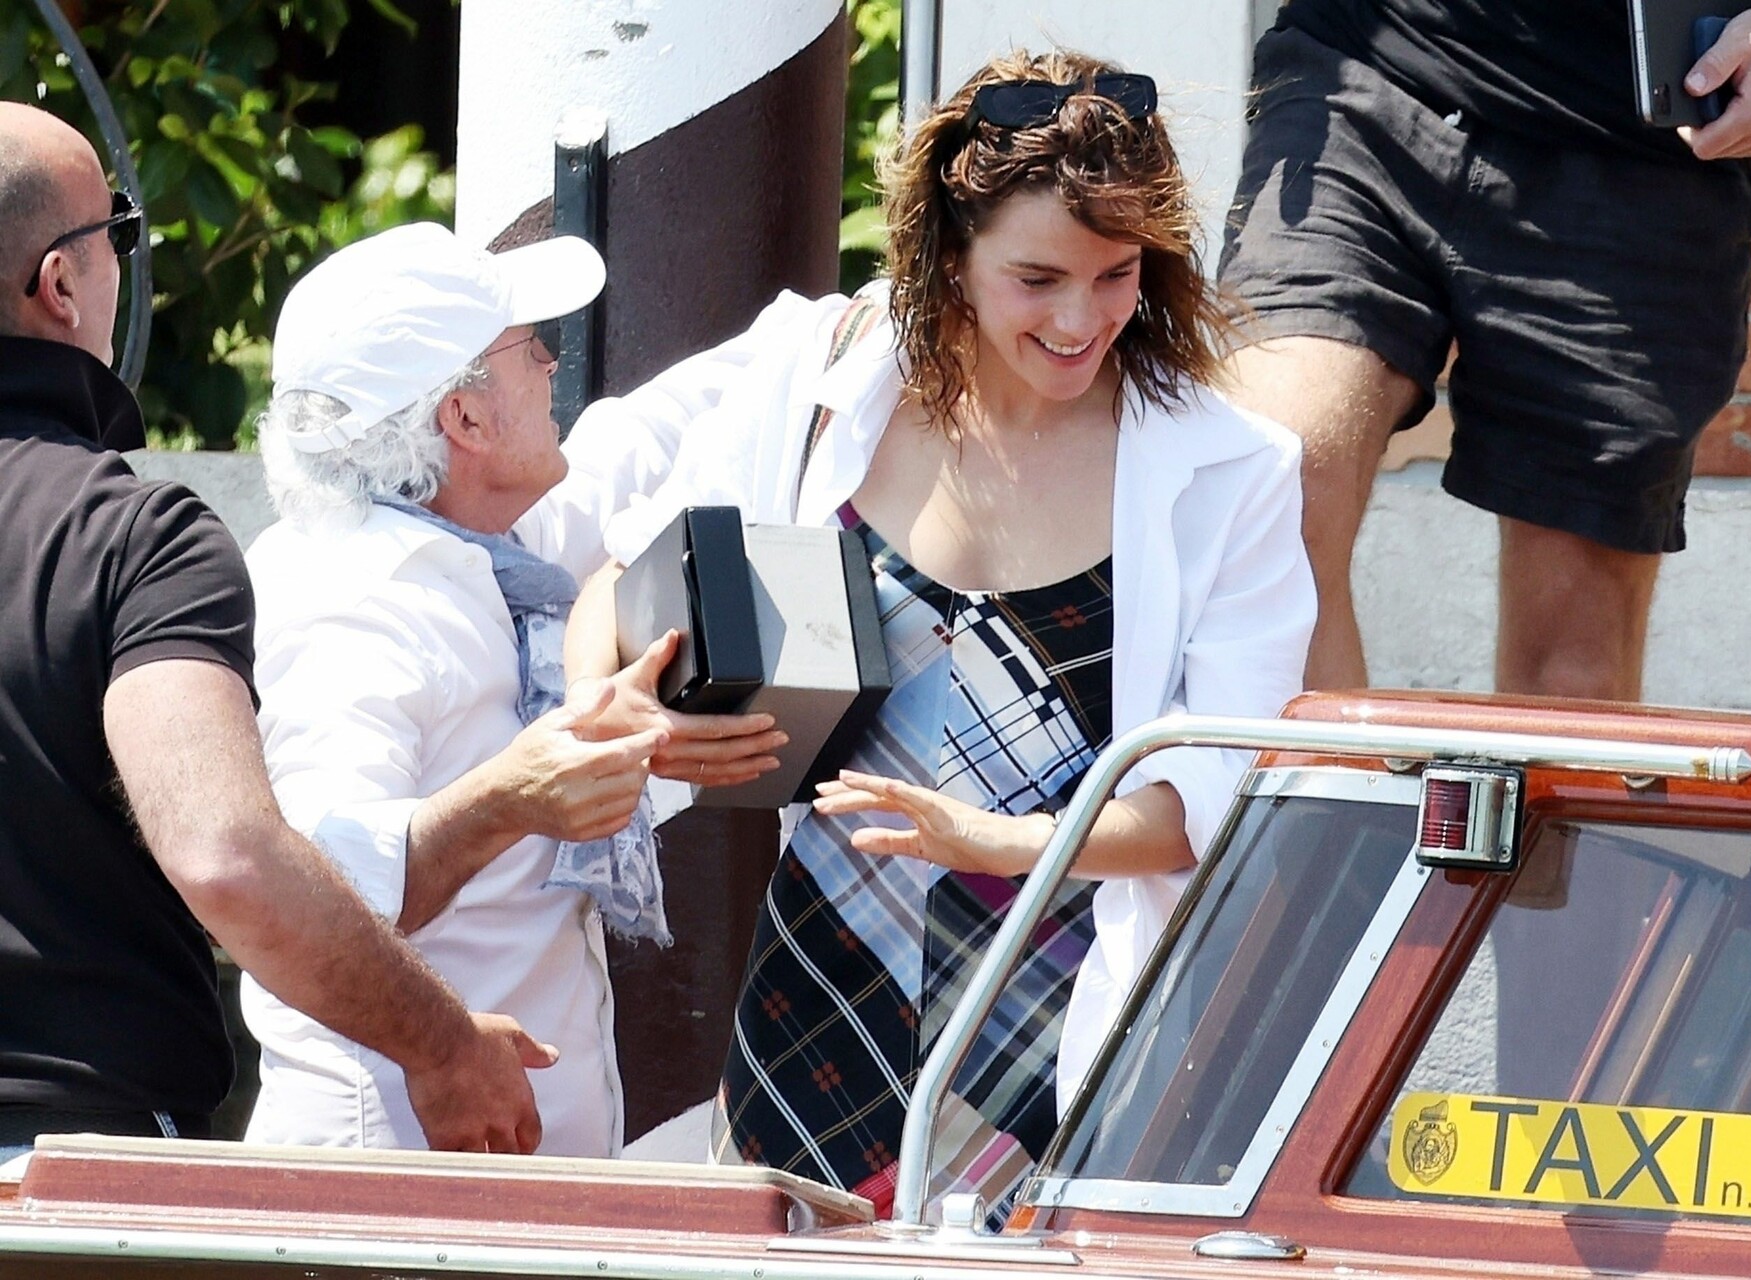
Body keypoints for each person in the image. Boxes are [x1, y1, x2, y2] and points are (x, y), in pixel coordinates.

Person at [565, 51, 1316, 1218]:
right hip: (816, 994)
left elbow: (1213, 798)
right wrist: (607, 709)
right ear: (950, 255)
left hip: (1067, 1012)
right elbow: (628, 580)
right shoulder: (823, 381)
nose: (1081, 318)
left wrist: (997, 839)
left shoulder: (1232, 472)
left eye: (1117, 274)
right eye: (1037, 278)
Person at [0, 104, 552, 1160]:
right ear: (61, 283)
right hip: (68, 1173)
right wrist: (443, 1047)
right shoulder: (131, 538)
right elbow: (225, 854)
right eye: (118, 233)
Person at [240, 224, 783, 1156]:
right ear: (465, 420)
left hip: (489, 1168)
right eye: (529, 345)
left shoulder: (493, 550)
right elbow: (315, 886)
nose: (550, 364)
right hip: (389, 1175)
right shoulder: (351, 605)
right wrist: (512, 795)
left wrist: (835, 332)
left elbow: (643, 437)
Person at [1218, 0, 1751, 700]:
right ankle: (1329, 779)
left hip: (1635, 142)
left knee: (1572, 674)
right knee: (1276, 484)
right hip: (1363, 76)